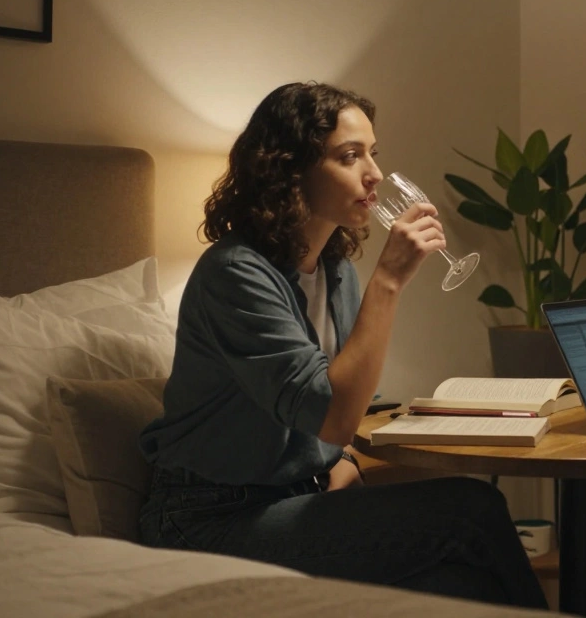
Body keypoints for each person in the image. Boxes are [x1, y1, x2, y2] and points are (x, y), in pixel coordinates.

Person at [138, 82, 547, 609]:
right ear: (289, 169)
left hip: (297, 497)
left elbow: (343, 415)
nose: (374, 174)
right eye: (350, 157)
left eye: (372, 154)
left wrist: (347, 457)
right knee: (471, 509)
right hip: (208, 517)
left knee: (460, 587)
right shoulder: (235, 274)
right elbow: (331, 414)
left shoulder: (334, 270)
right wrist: (391, 281)